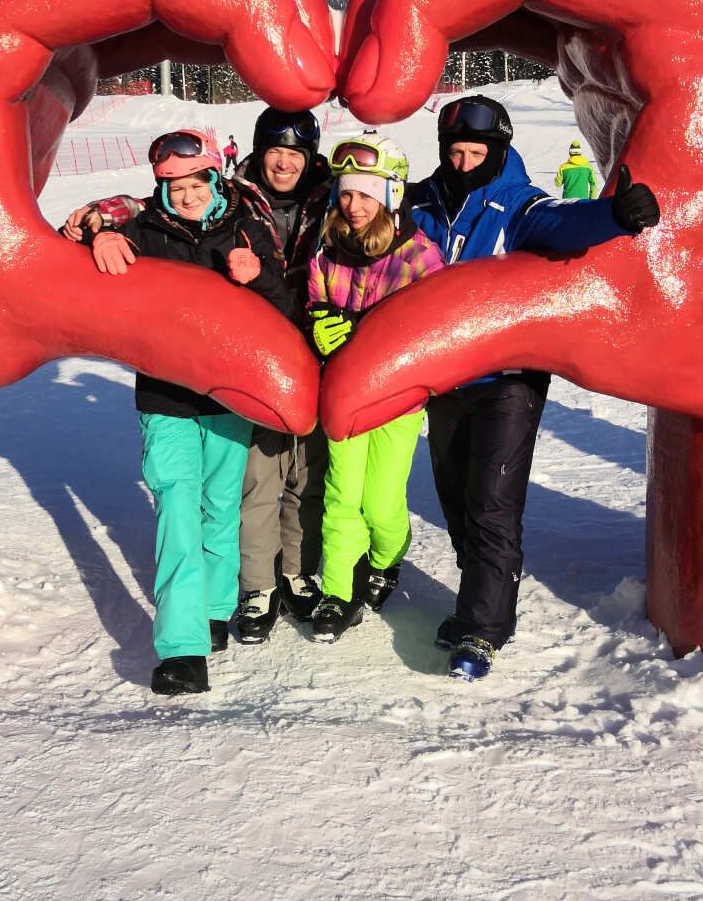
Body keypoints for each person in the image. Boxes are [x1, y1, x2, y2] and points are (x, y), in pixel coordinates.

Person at [407, 95, 660, 682]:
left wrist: (615, 216)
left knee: (492, 502)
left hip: (508, 380)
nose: (464, 163)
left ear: (497, 150)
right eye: (456, 151)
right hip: (444, 378)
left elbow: (563, 224)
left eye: (476, 152)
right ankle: (480, 602)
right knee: (455, 499)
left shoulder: (517, 203)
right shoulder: (422, 201)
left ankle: (483, 628)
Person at [88, 129, 288, 697]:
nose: (185, 194)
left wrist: (262, 276)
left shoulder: (246, 225)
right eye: (173, 185)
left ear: (213, 179)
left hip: (229, 391)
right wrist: (101, 234)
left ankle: (216, 608)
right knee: (177, 508)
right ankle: (182, 648)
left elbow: (286, 305)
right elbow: (71, 243)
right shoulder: (144, 228)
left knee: (219, 506)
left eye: (194, 182)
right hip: (166, 394)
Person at [306, 135, 445, 642]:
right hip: (343, 395)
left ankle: (387, 558)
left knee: (381, 502)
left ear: (391, 195)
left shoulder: (419, 256)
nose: (354, 205)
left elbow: (435, 327)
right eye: (346, 193)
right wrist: (320, 328)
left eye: (366, 194)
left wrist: (372, 335)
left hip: (397, 400)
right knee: (342, 496)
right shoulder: (326, 254)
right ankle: (339, 591)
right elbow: (315, 303)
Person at [230, 108, 334, 643]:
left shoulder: (335, 196)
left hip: (318, 358)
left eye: (295, 153)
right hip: (259, 363)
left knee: (307, 478)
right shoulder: (233, 197)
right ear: (259, 150)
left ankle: (295, 572)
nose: (285, 162)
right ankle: (256, 586)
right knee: (259, 480)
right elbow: (166, 203)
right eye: (275, 151)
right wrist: (102, 215)